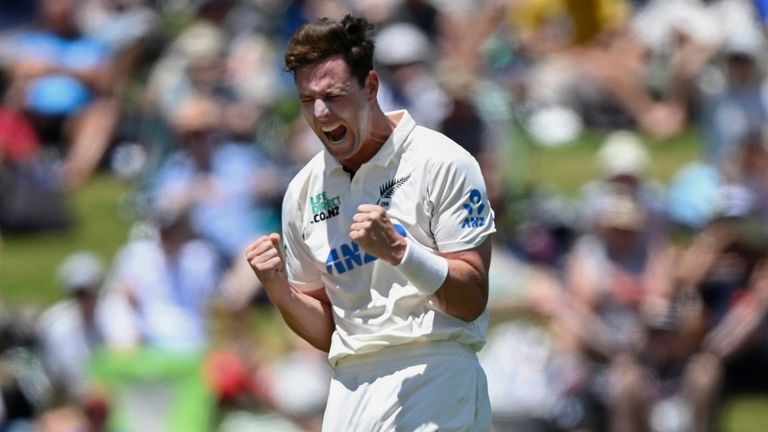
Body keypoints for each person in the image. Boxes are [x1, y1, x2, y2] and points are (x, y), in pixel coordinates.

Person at [245, 14, 496, 431]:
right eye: (308, 101)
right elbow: (329, 329)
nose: (322, 113)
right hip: (350, 388)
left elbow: (471, 298)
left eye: (334, 96)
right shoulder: (303, 191)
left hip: (436, 371)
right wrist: (281, 292)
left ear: (371, 87)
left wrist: (400, 251)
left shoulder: (442, 162)